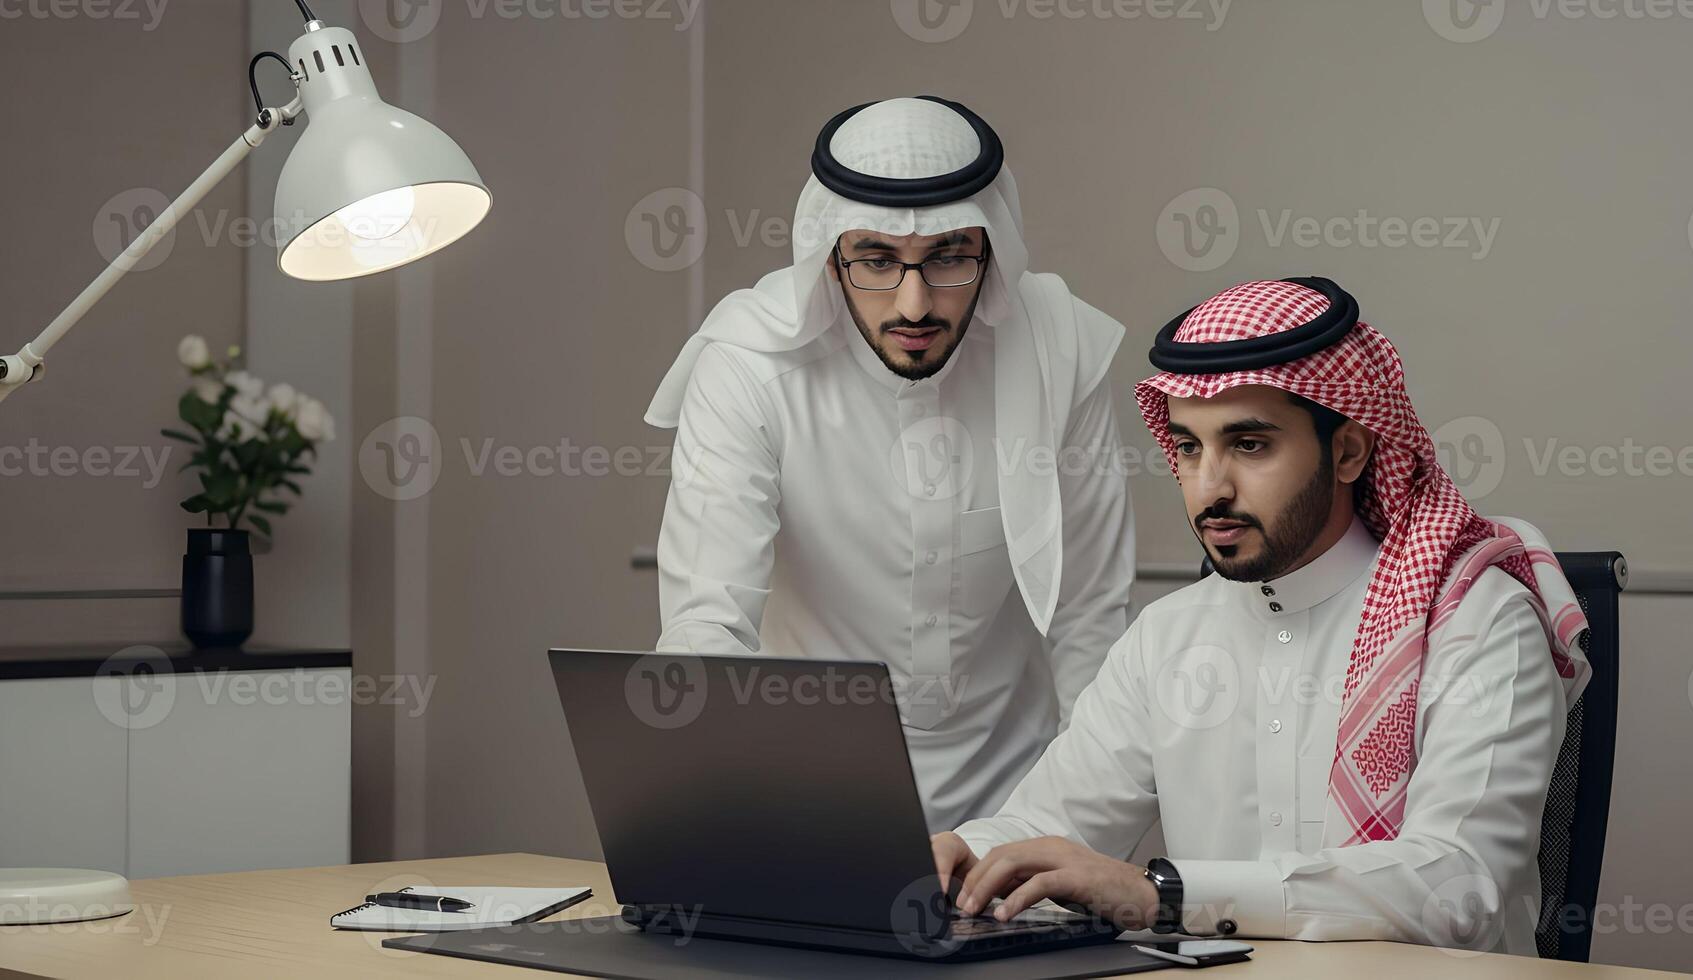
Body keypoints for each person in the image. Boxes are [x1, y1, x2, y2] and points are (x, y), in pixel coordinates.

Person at [933, 277, 1591, 955]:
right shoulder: (1167, 637)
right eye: (1188, 447)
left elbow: (1458, 889)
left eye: (1249, 445)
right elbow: (1048, 826)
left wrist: (1165, 896)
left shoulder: (1475, 621)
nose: (1209, 488)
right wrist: (959, 853)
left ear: (1348, 451)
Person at [645, 96, 1135, 831]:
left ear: (992, 250)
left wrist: (1078, 841)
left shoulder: (1057, 349)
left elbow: (1090, 618)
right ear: (831, 258)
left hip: (1018, 809)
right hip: (800, 806)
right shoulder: (747, 366)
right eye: (876, 259)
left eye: (947, 258)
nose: (913, 304)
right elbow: (709, 625)